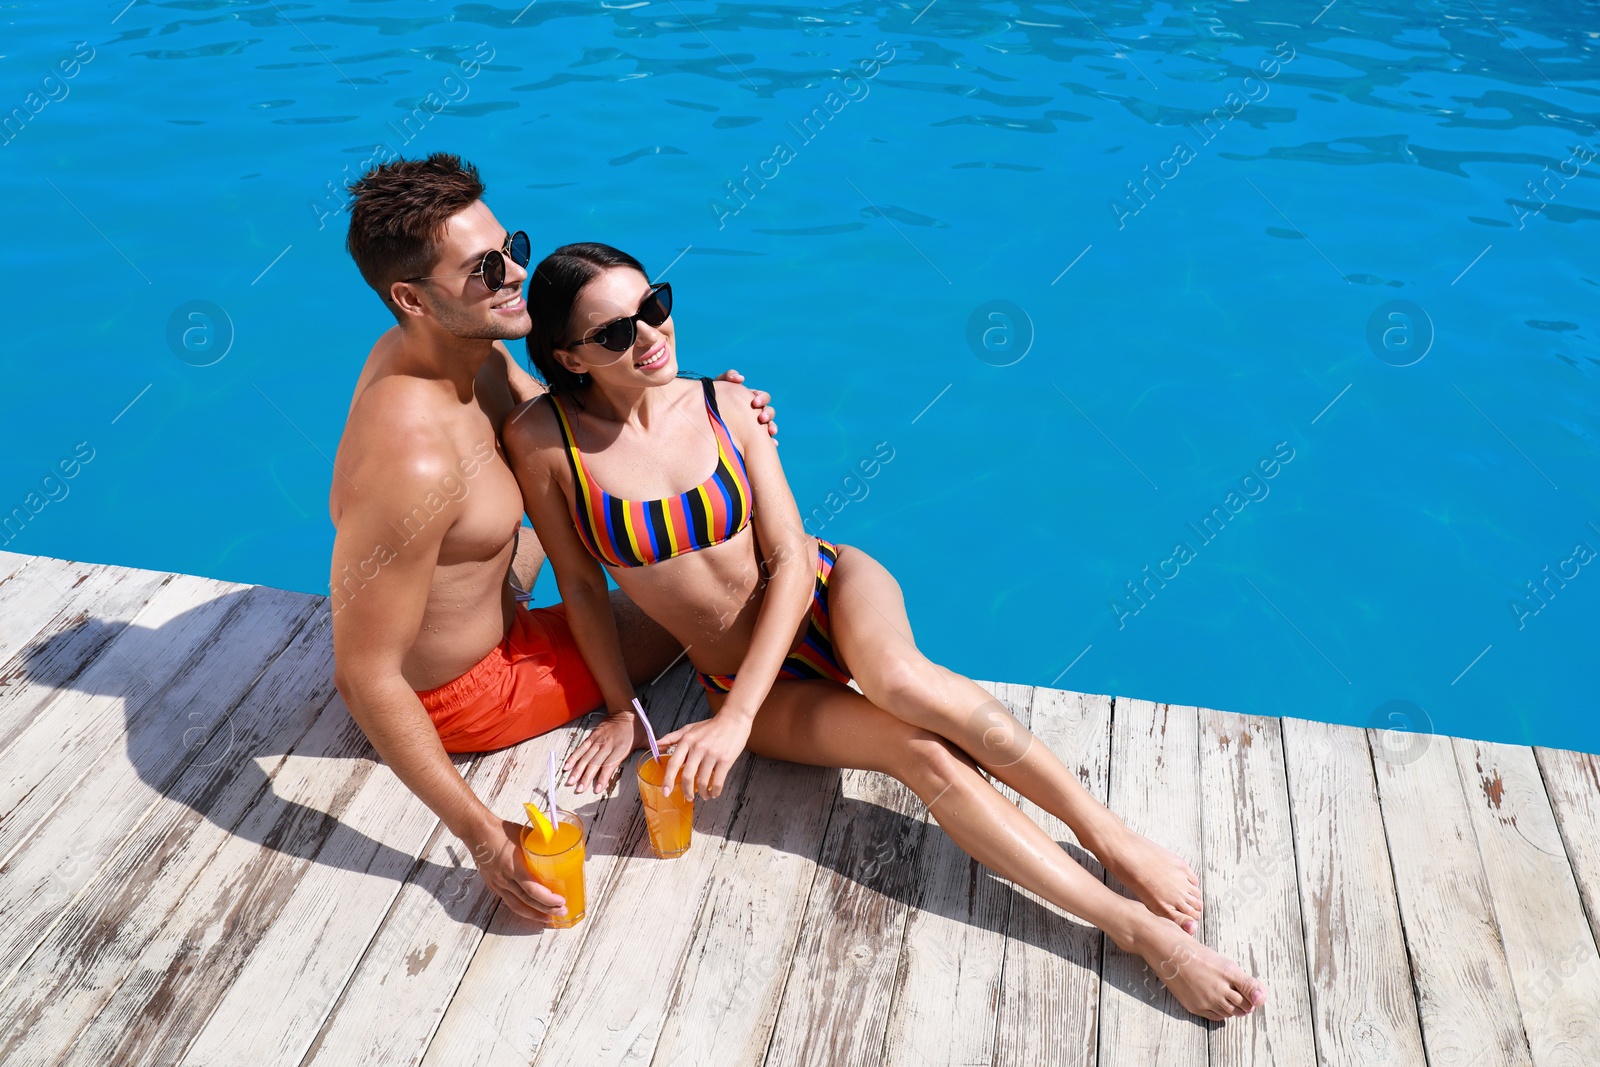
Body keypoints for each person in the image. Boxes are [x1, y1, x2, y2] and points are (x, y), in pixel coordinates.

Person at [501, 242, 1268, 1021]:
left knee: (903, 681)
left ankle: (1106, 833)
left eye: (654, 307)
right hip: (746, 680)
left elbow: (793, 562)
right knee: (916, 750)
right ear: (568, 356)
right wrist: (619, 708)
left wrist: (731, 724)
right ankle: (1137, 930)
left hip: (829, 594)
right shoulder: (547, 444)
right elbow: (583, 589)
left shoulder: (726, 406)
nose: (650, 336)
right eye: (615, 333)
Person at [329, 154, 776, 926]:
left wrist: (711, 414)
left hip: (499, 599)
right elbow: (365, 675)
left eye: (513, 247)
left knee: (683, 529)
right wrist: (484, 839)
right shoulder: (414, 454)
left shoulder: (466, 351)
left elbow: (588, 438)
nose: (515, 275)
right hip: (464, 692)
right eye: (483, 269)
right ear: (412, 297)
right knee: (715, 606)